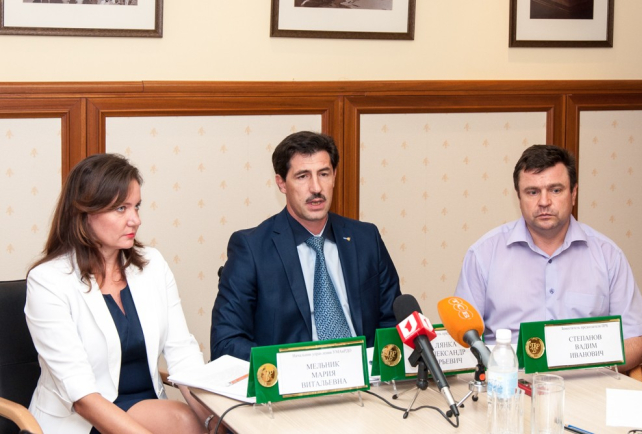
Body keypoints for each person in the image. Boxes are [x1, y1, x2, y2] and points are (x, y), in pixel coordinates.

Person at [25, 154, 216, 434]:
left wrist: (213, 421)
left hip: (151, 408)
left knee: (199, 421)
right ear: (84, 213)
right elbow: (81, 396)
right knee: (183, 421)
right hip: (85, 418)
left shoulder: (152, 264)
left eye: (136, 206)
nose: (135, 220)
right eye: (120, 208)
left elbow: (182, 353)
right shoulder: (48, 281)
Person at [455, 144, 642, 372]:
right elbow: (462, 341)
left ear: (573, 193)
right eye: (532, 192)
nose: (544, 202)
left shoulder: (608, 255)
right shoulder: (482, 255)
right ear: (519, 197)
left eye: (555, 190)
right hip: (507, 384)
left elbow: (638, 338)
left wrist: (594, 366)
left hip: (588, 383)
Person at [211, 131, 401, 361]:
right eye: (302, 176)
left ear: (334, 176)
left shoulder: (366, 238)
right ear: (281, 183)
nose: (316, 188)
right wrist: (289, 367)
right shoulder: (252, 249)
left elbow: (393, 321)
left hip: (367, 376)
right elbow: (226, 341)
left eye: (324, 174)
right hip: (291, 379)